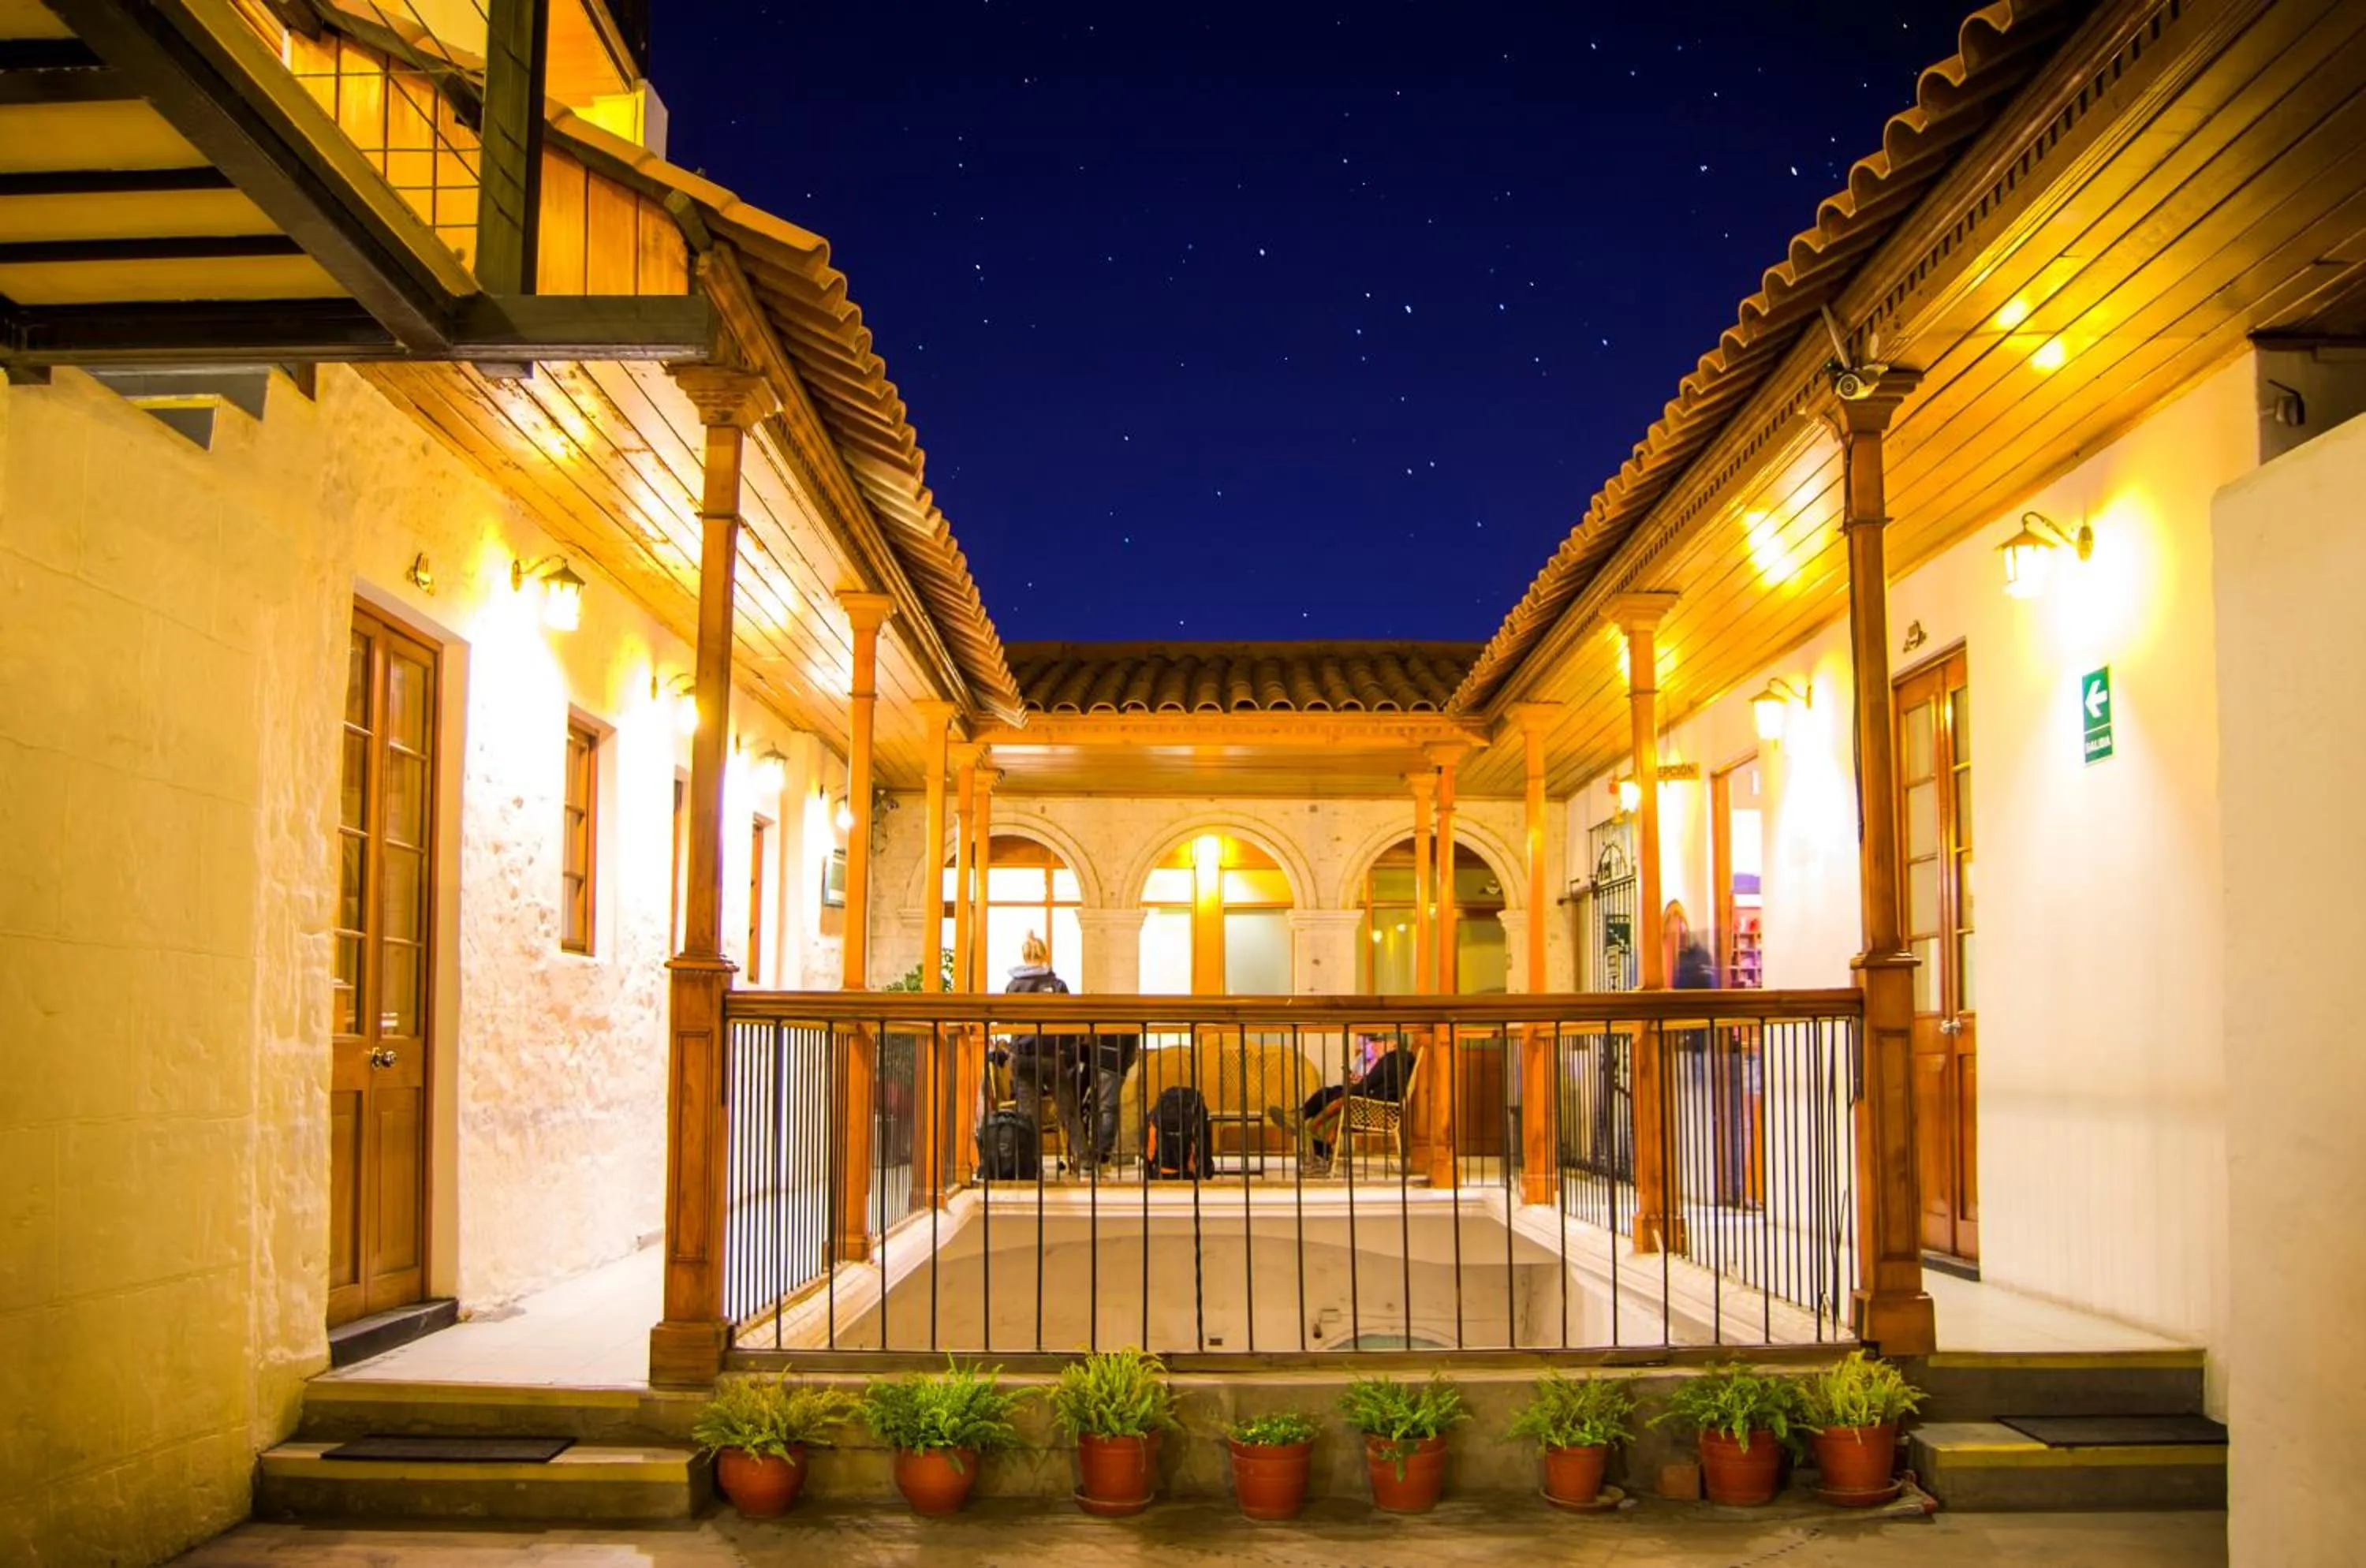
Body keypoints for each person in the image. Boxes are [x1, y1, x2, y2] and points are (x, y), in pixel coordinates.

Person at [1004, 933, 1095, 1170]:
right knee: (1068, 1109)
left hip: (1023, 1055)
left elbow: (1006, 1018)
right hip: (1050, 1054)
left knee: (1028, 1114)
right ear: (1044, 955)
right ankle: (1084, 1161)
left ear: (1024, 956)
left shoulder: (1014, 986)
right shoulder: (1057, 985)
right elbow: (1069, 1019)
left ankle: (1032, 1164)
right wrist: (1067, 1049)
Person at [1267, 1036, 1416, 1168]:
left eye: (1379, 1042)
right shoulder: (1398, 1060)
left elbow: (1367, 1085)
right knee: (1329, 1093)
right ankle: (1300, 1119)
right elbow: (1375, 1084)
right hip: (1373, 1104)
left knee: (1329, 1097)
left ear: (1393, 1043)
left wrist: (1347, 1092)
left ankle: (1301, 1120)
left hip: (1374, 1110)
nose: (1374, 1046)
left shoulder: (1393, 1059)